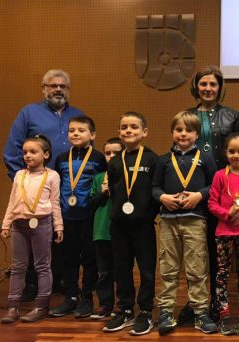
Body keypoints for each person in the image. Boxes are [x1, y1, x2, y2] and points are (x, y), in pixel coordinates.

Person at [3, 69, 82, 300]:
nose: (58, 89)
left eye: (63, 86)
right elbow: (12, 150)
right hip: (35, 188)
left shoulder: (77, 115)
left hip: (68, 188)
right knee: (31, 232)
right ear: (44, 88)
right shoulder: (29, 113)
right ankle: (30, 284)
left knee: (60, 233)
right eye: (53, 85)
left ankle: (58, 279)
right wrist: (24, 184)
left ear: (68, 90)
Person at [181, 66, 239, 325]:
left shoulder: (232, 115)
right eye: (203, 84)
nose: (208, 88)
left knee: (219, 249)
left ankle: (219, 300)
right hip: (194, 186)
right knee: (196, 249)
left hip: (223, 189)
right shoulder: (187, 116)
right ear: (196, 87)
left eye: (213, 84)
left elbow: (237, 150)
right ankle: (197, 301)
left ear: (219, 87)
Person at [151, 111, 218, 335]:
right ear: (172, 132)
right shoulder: (163, 160)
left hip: (195, 220)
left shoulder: (205, 159)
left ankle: (200, 312)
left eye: (188, 130)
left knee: (197, 268)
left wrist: (199, 195)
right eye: (179, 129)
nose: (183, 134)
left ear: (197, 134)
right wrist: (162, 197)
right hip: (168, 221)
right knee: (168, 268)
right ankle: (166, 312)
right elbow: (154, 188)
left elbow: (214, 186)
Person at [103, 112, 159, 336]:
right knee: (121, 268)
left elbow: (155, 191)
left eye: (134, 127)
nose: (128, 131)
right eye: (124, 127)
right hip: (119, 226)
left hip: (143, 225)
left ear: (144, 132)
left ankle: (145, 310)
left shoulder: (152, 159)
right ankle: (125, 308)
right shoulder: (115, 162)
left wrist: (149, 214)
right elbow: (114, 193)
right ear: (119, 132)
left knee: (146, 270)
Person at [0, 135, 63, 324]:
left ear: (46, 154)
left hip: (41, 224)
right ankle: (13, 307)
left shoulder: (52, 175)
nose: (28, 155)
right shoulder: (20, 175)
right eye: (25, 152)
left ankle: (41, 305)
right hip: (19, 225)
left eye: (33, 152)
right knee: (18, 266)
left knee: (42, 266)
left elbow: (55, 203)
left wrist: (58, 226)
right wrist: (6, 223)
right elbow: (13, 200)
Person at [49, 116, 105, 319]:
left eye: (81, 130)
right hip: (66, 217)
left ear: (92, 135)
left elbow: (101, 186)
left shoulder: (98, 158)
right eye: (72, 130)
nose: (75, 134)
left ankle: (87, 298)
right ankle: (71, 297)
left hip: (89, 216)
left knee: (89, 259)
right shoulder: (62, 158)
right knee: (68, 259)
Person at [207, 133, 239, 335]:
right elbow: (212, 203)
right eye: (232, 151)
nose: (236, 155)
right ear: (225, 152)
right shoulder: (220, 175)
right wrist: (226, 213)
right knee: (222, 274)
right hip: (224, 232)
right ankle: (224, 314)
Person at [88, 137, 124, 319]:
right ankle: (105, 304)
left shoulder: (127, 175)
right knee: (104, 272)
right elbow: (91, 203)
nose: (111, 156)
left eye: (115, 153)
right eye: (107, 153)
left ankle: (122, 305)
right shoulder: (98, 178)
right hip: (101, 231)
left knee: (121, 271)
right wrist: (103, 193)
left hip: (121, 231)